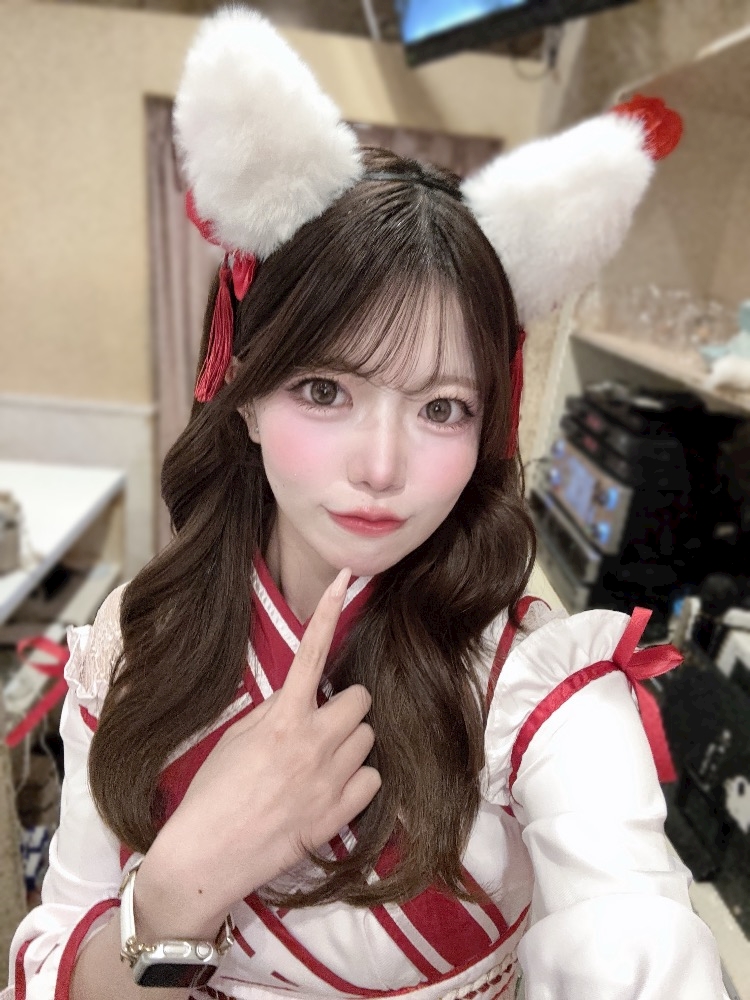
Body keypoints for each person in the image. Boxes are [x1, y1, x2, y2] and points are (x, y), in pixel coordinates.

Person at [6, 7, 730, 1000]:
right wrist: (184, 881)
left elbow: (634, 930)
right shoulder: (140, 643)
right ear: (243, 393)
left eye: (441, 407)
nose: (382, 467)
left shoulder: (533, 686)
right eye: (324, 390)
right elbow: (53, 958)